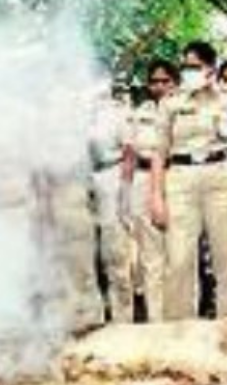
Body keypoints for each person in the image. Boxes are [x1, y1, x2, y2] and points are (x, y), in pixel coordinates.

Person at [151, 41, 227, 320]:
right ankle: (181, 330)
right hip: (180, 179)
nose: (188, 71)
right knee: (178, 260)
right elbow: (159, 152)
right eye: (185, 66)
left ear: (210, 69)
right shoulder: (171, 102)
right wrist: (156, 196)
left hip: (222, 177)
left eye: (195, 66)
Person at [121, 60, 177, 322]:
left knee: (179, 254)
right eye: (154, 81)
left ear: (175, 83)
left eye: (165, 81)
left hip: (175, 178)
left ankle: (182, 318)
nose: (160, 86)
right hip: (142, 181)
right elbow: (129, 154)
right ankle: (157, 321)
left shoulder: (184, 109)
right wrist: (124, 193)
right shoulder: (139, 113)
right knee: (150, 257)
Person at [90, 81, 136, 323]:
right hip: (80, 179)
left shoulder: (116, 112)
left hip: (111, 175)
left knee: (115, 251)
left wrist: (125, 191)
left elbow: (129, 152)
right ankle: (92, 317)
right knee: (84, 254)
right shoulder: (69, 112)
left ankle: (123, 317)